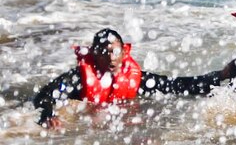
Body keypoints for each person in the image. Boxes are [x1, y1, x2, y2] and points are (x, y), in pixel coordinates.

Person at [32, 28, 221, 128]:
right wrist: (48, 114)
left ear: (124, 52)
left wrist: (219, 78)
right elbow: (44, 95)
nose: (111, 58)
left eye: (115, 51)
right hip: (87, 128)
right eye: (104, 53)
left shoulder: (134, 79)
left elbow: (175, 86)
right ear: (94, 54)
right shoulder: (78, 79)